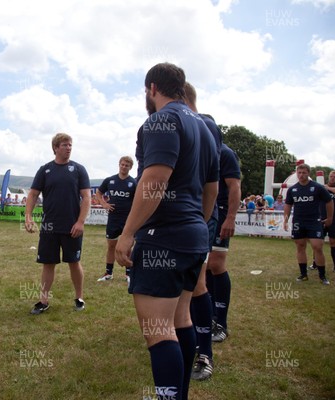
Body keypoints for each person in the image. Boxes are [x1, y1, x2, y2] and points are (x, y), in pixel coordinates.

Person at [115, 63, 218, 400]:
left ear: (152, 88)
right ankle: (178, 394)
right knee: (180, 320)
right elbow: (211, 190)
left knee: (159, 331)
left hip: (164, 237)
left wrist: (128, 233)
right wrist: (197, 227)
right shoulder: (204, 127)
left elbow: (155, 180)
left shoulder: (161, 120)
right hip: (193, 235)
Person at [25, 132, 91, 315]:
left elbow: (87, 197)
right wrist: (28, 216)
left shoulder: (79, 169)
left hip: (72, 227)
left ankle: (79, 297)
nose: (68, 148)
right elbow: (32, 194)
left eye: (70, 145)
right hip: (49, 227)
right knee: (48, 263)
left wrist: (80, 222)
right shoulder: (45, 170)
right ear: (55, 148)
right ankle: (43, 300)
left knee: (74, 262)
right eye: (64, 145)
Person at [182, 81, 222, 382]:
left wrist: (200, 219)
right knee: (184, 284)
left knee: (196, 283)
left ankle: (204, 353)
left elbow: (213, 183)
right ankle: (185, 342)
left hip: (196, 216)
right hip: (189, 217)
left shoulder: (204, 124)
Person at [207, 143, 241, 346]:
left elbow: (235, 185)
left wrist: (231, 217)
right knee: (203, 266)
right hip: (203, 210)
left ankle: (222, 323)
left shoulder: (226, 153)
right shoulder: (199, 148)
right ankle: (209, 316)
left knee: (216, 264)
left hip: (220, 211)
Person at [283, 163, 333, 285]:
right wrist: (285, 220)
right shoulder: (292, 189)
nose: (301, 175)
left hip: (314, 221)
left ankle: (322, 276)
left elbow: (329, 201)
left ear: (308, 173)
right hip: (298, 222)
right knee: (300, 246)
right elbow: (288, 205)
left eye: (304, 172)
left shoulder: (317, 187)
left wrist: (329, 218)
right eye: (299, 173)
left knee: (317, 247)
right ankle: (303, 274)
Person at [95, 156, 137, 283]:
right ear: (119, 165)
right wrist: (104, 204)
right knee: (111, 246)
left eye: (127, 165)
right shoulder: (110, 180)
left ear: (130, 167)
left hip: (127, 220)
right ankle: (108, 273)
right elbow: (98, 193)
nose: (124, 167)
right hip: (113, 219)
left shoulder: (133, 183)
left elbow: (137, 200)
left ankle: (128, 274)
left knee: (128, 246)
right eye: (122, 164)